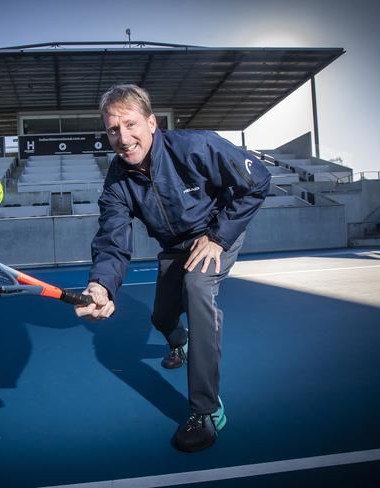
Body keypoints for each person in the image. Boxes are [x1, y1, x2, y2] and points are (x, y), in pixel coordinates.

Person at [75, 84, 271, 452]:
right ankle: (178, 343)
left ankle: (207, 410)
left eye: (130, 124)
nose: (123, 137)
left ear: (152, 122)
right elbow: (112, 238)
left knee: (197, 287)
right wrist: (101, 285)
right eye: (113, 129)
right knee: (161, 318)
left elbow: (258, 179)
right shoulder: (117, 180)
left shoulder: (197, 146)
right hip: (174, 248)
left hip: (215, 236)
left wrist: (218, 236)